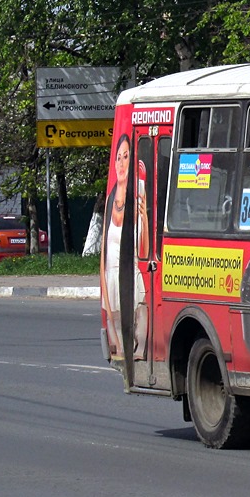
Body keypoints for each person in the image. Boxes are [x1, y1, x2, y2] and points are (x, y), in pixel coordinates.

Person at [101, 133, 148, 361]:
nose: (121, 163)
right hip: (112, 274)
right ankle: (120, 346)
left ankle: (140, 348)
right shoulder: (110, 198)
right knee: (117, 317)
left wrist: (145, 218)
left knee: (141, 308)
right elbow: (103, 258)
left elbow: (144, 248)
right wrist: (116, 345)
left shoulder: (139, 189)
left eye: (126, 156)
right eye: (118, 157)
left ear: (132, 160)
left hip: (131, 271)